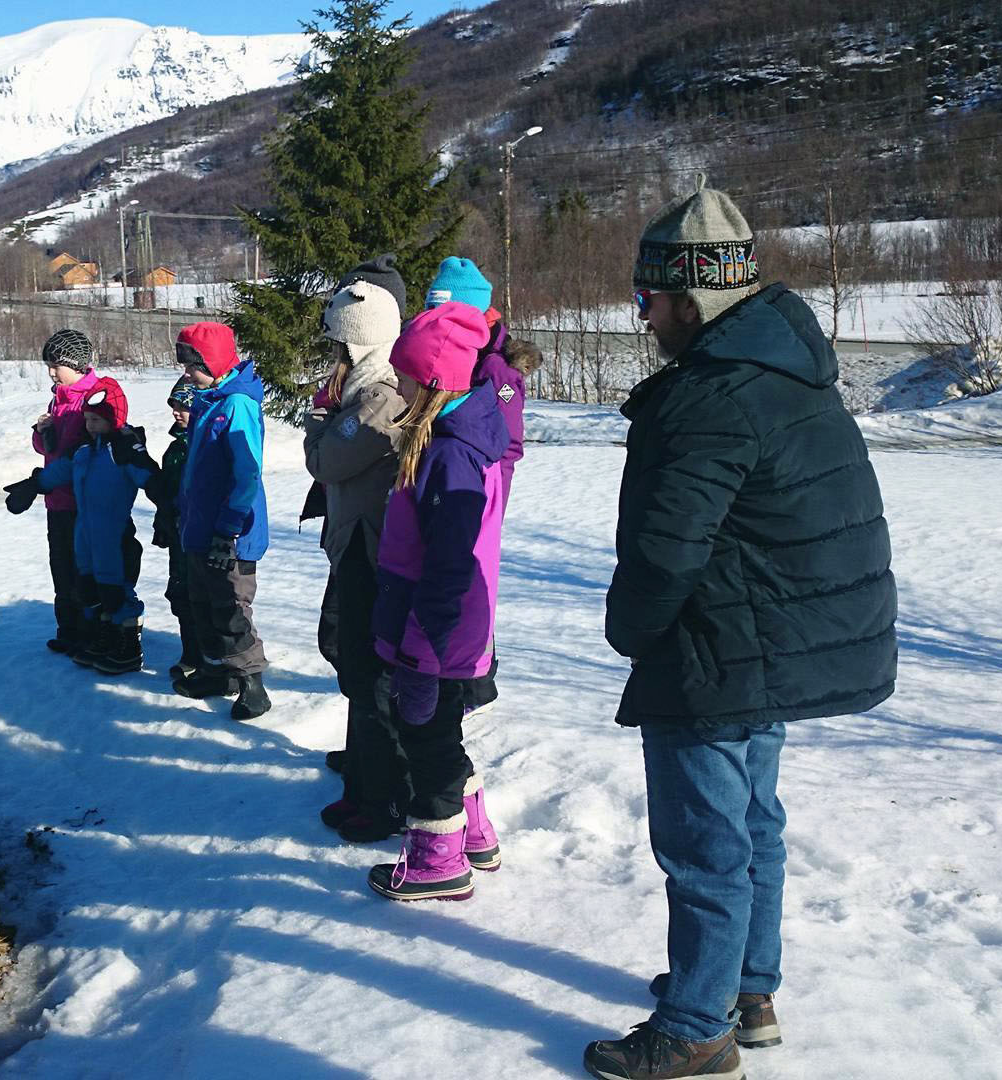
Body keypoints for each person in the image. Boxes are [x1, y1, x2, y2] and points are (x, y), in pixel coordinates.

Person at [583, 186, 896, 1080]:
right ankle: (746, 988)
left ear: (692, 298)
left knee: (705, 845)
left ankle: (695, 1029)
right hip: (768, 640)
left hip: (718, 647)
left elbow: (665, 549)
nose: (643, 318)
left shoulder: (711, 396)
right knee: (753, 822)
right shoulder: (785, 368)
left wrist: (632, 628)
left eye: (649, 300)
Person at [364, 302, 508, 903]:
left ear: (432, 384)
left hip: (434, 631)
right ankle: (472, 830)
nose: (396, 386)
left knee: (424, 737)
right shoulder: (454, 437)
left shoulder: (450, 455)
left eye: (405, 378)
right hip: (438, 625)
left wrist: (421, 647)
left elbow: (451, 564)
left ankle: (438, 856)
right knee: (438, 729)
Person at [305, 255, 410, 844]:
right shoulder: (362, 391)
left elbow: (326, 458)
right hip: (352, 544)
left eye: (340, 345)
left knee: (370, 673)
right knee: (352, 661)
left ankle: (384, 795)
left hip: (372, 552)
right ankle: (366, 778)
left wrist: (319, 419)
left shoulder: (379, 398)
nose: (334, 356)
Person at [422, 255, 545, 715]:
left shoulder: (495, 368)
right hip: (448, 474)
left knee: (477, 576)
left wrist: (493, 496)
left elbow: (507, 444)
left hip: (479, 484)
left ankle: (478, 674)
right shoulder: (456, 349)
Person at [5, 382, 157, 674]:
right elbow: (59, 470)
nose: (90, 426)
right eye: (87, 420)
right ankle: (105, 638)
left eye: (96, 420)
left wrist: (167, 508)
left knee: (116, 589)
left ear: (114, 418)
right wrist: (33, 485)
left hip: (114, 535)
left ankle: (128, 647)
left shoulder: (124, 448)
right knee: (90, 588)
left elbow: (150, 477)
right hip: (85, 534)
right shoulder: (85, 449)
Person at [172, 321, 271, 719]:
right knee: (203, 603)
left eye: (191, 364)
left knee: (230, 608)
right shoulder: (208, 401)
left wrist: (228, 528)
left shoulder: (237, 405)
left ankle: (252, 683)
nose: (185, 373)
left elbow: (246, 473)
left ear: (212, 362)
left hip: (230, 533)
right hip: (200, 527)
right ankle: (218, 673)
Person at [29, 328, 135, 656]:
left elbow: (81, 450)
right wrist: (42, 432)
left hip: (81, 501)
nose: (50, 372)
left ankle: (90, 630)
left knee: (82, 569)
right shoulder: (58, 399)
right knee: (60, 565)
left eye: (55, 365)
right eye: (48, 365)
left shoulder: (92, 400)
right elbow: (49, 450)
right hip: (56, 499)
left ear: (76, 365)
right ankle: (69, 628)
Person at [146, 378, 199, 679]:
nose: (177, 413)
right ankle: (190, 651)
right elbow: (166, 493)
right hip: (178, 534)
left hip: (197, 534)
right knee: (179, 593)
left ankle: (208, 654)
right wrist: (163, 521)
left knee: (199, 595)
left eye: (184, 407)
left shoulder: (202, 446)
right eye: (175, 406)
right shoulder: (174, 449)